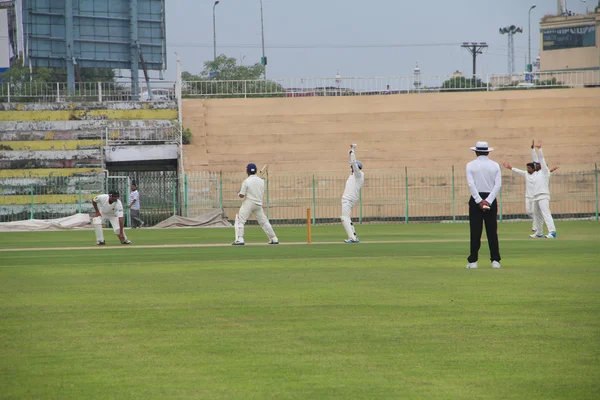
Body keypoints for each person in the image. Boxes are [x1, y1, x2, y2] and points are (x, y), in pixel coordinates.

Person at [466, 141, 501, 269]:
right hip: (490, 198)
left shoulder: (470, 165)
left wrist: (479, 201)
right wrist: (489, 200)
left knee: (475, 231)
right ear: (487, 152)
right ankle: (495, 260)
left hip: (476, 200)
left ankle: (473, 261)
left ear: (476, 152)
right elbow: (497, 185)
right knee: (492, 231)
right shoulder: (495, 165)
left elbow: (471, 184)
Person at [232, 163, 279, 245]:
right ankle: (274, 238)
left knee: (240, 220)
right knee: (264, 222)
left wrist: (238, 193)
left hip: (249, 203)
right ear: (256, 171)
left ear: (247, 171)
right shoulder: (261, 181)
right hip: (258, 204)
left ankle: (240, 239)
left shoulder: (246, 181)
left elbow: (242, 195)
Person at [531, 141, 557, 238]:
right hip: (536, 196)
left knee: (546, 214)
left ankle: (552, 232)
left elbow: (541, 159)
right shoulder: (536, 173)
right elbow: (535, 160)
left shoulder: (545, 172)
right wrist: (532, 149)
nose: (536, 165)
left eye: (538, 164)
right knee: (537, 216)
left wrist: (540, 149)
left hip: (543, 196)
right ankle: (539, 233)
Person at [341, 143, 364, 243]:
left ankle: (352, 238)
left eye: (353, 167)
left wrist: (353, 151)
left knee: (344, 217)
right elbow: (352, 163)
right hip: (348, 199)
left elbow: (353, 163)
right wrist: (350, 152)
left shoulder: (359, 175)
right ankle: (354, 236)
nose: (351, 168)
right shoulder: (353, 175)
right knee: (346, 217)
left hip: (348, 199)